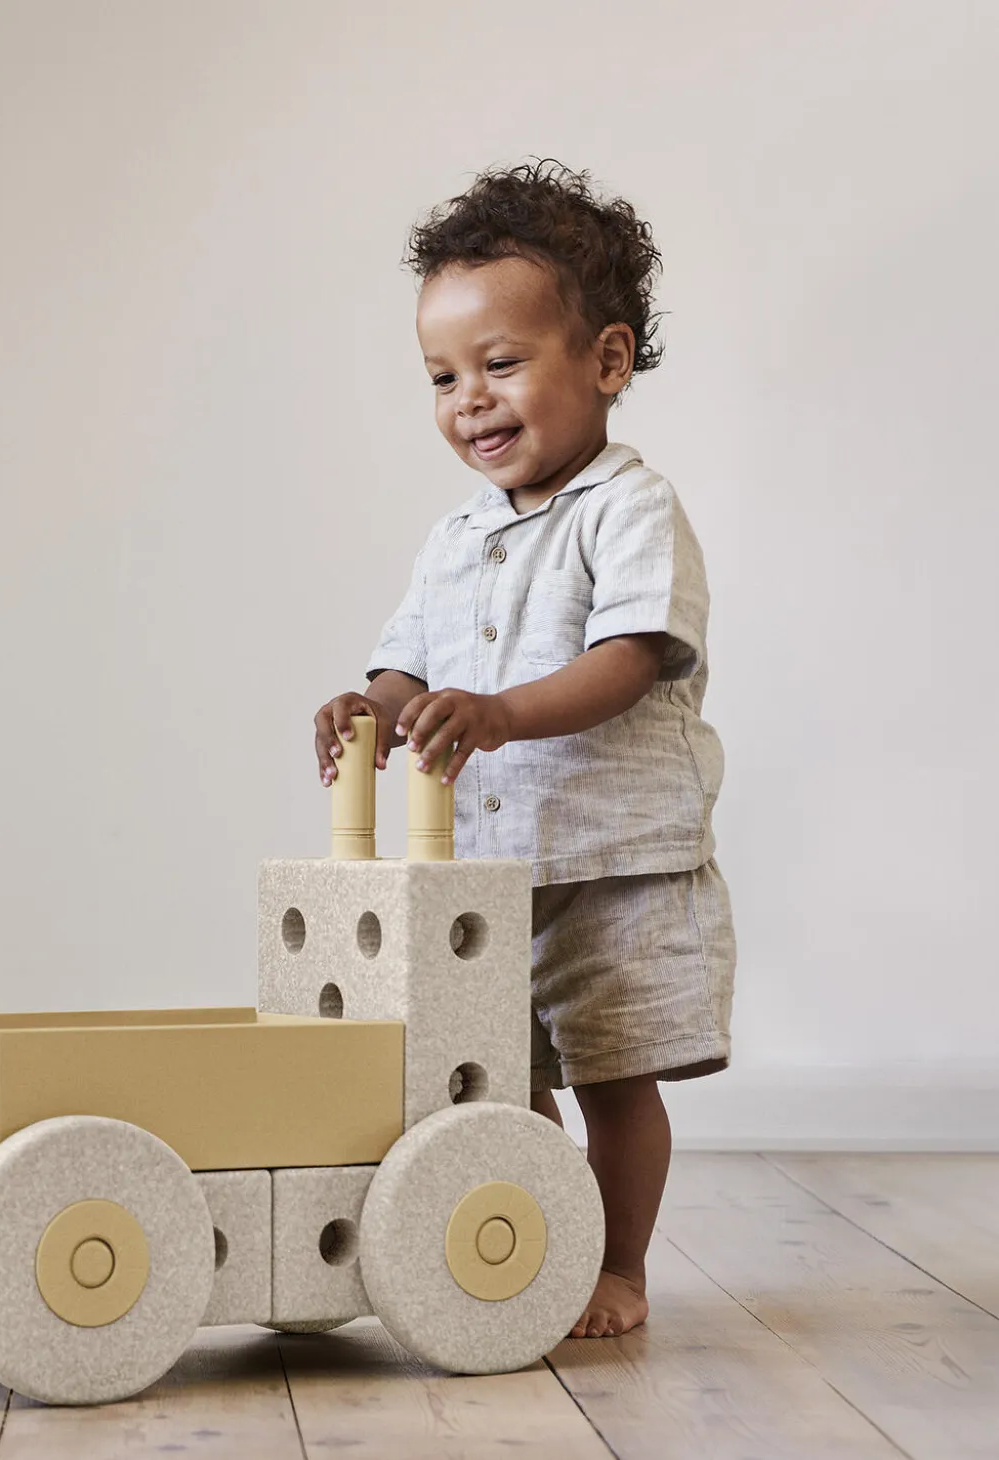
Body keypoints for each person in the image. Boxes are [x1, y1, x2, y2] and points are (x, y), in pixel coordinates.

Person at [313, 161, 735, 1339]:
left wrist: (498, 714)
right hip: (488, 875)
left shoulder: (627, 506)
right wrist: (366, 707)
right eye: (441, 376)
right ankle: (539, 1251)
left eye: (499, 363)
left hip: (611, 862)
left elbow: (630, 657)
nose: (469, 401)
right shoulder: (454, 536)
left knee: (610, 1072)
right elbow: (407, 664)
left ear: (605, 359)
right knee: (496, 1076)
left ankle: (619, 1266)